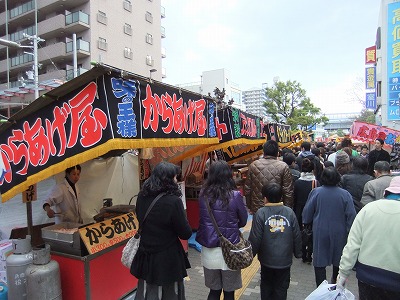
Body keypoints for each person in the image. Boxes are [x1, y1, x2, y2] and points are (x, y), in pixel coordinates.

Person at [131, 162, 192, 300]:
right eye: (175, 177)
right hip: (167, 259)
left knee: (147, 293)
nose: (176, 181)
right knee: (169, 294)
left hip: (146, 255)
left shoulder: (141, 196)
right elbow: (185, 233)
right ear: (168, 180)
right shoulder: (173, 201)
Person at [337, 176, 400, 299]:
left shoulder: (368, 209)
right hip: (396, 281)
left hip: (367, 276)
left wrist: (343, 275)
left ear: (387, 192)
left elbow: (352, 245)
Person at [196, 160, 248, 300]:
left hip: (209, 250)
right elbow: (243, 221)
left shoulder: (203, 195)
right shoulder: (235, 195)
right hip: (230, 250)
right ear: (228, 175)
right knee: (229, 293)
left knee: (214, 291)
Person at [302, 167, 356, 287]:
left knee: (319, 261)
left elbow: (307, 214)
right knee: (339, 259)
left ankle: (321, 288)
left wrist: (306, 223)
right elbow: (351, 216)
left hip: (320, 230)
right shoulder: (345, 194)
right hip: (340, 231)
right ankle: (336, 285)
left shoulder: (316, 192)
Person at [249, 183, 302, 300]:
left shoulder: (261, 213)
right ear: (281, 197)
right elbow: (296, 234)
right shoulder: (289, 212)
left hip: (267, 260)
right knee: (281, 288)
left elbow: (255, 237)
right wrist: (298, 253)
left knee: (266, 287)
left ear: (265, 198)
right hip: (285, 260)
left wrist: (250, 255)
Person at [244, 140, 293, 214]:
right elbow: (288, 191)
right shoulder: (283, 166)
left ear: (263, 152)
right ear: (277, 153)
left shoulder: (253, 165)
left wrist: (250, 206)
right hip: (278, 207)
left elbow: (247, 189)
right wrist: (287, 209)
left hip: (257, 207)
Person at [293, 158, 319, 263]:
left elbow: (294, 197)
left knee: (301, 231)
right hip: (312, 210)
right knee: (311, 231)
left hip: (299, 209)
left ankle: (302, 252)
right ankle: (310, 254)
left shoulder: (297, 182)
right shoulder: (316, 182)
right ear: (313, 170)